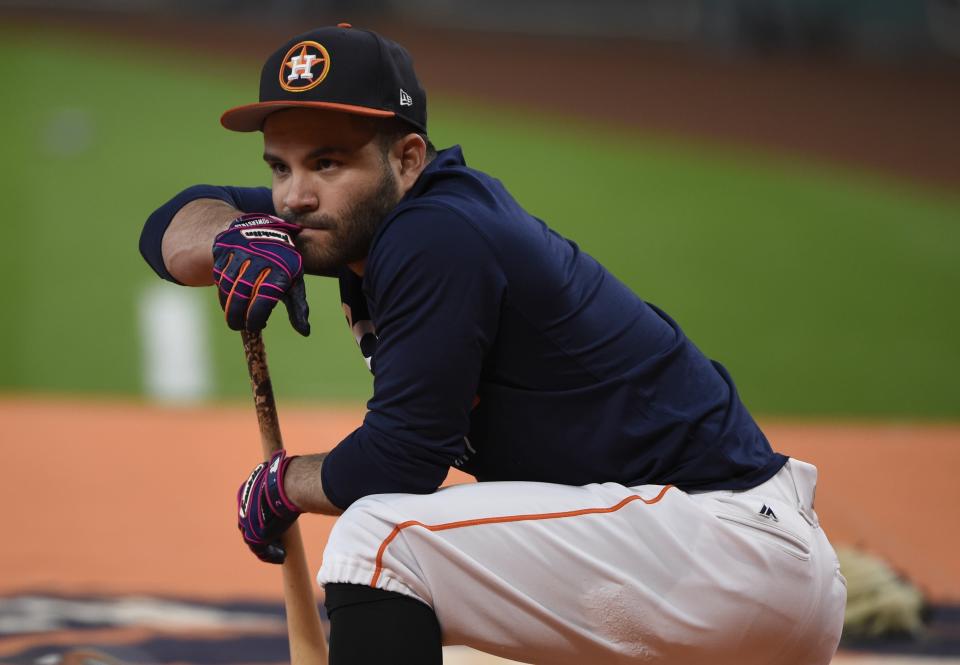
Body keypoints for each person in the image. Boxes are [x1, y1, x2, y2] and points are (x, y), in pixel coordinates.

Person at [140, 24, 846, 665]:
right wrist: (228, 238)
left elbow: (402, 458)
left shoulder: (434, 235)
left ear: (408, 158)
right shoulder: (356, 219)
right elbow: (171, 223)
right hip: (671, 556)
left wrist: (283, 483)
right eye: (279, 166)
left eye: (326, 163)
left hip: (722, 547)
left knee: (380, 542)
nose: (294, 197)